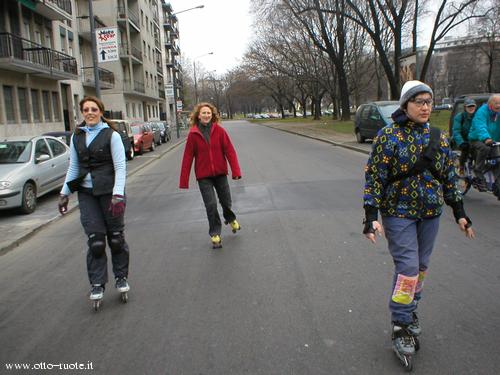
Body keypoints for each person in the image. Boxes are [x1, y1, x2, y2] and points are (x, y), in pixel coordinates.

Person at [362, 81, 475, 365]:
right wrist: (370, 217)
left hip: (430, 212)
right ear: (405, 105)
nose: (425, 107)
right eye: (419, 101)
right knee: (408, 267)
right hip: (398, 212)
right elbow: (374, 177)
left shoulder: (439, 136)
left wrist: (460, 212)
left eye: (428, 101)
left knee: (421, 267)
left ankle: (410, 308)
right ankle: (401, 325)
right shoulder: (387, 136)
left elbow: (449, 178)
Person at [58, 96, 130, 306]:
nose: (90, 112)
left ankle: (121, 277)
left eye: (94, 109)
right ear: (82, 112)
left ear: (101, 111)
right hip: (87, 194)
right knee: (96, 241)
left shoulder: (112, 135)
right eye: (86, 109)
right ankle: (97, 283)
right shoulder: (76, 136)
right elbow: (73, 168)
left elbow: (120, 167)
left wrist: (118, 194)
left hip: (110, 193)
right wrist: (64, 193)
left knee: (115, 238)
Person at [179, 102, 242, 248]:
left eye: (208, 113)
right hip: (203, 176)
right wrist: (184, 180)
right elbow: (187, 158)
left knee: (226, 201)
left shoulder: (219, 131)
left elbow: (230, 151)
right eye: (203, 113)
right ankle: (215, 233)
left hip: (220, 173)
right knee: (211, 205)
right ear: (198, 116)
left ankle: (230, 217)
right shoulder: (193, 134)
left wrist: (236, 171)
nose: (206, 115)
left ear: (212, 115)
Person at [468, 94, 500, 197]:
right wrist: (486, 138)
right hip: (477, 138)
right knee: (485, 148)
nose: (499, 105)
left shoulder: (498, 112)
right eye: (497, 103)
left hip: (493, 140)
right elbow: (480, 126)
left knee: (497, 160)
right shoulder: (482, 112)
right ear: (490, 104)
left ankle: (498, 185)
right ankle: (478, 171)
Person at [452, 97, 477, 173]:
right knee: (465, 150)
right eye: (469, 106)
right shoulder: (460, 117)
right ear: (465, 107)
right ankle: (461, 166)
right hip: (462, 139)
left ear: (475, 107)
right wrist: (461, 142)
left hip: (474, 139)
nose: (471, 108)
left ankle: (477, 168)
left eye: (472, 106)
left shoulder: (478, 116)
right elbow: (456, 131)